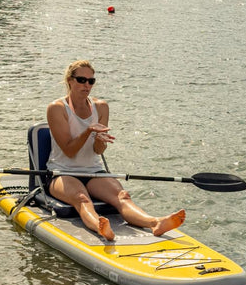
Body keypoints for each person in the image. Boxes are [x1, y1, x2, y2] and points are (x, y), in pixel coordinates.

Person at [46, 59, 185, 242]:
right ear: (70, 80)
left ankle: (155, 222)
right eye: (81, 80)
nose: (86, 85)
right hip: (62, 173)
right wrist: (88, 131)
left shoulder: (101, 107)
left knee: (123, 196)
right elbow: (69, 151)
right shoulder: (56, 108)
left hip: (93, 171)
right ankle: (100, 227)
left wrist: (100, 142)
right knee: (82, 199)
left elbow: (98, 150)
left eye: (91, 81)